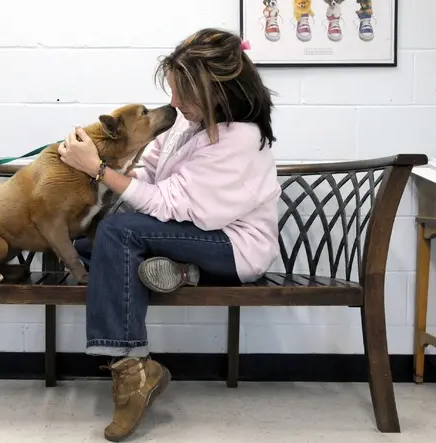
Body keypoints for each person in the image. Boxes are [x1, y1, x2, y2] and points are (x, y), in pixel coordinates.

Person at [57, 28, 282, 442]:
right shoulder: (188, 126)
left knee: (119, 234)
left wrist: (97, 170)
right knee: (89, 246)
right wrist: (108, 161)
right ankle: (182, 272)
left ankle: (131, 372)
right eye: (175, 92)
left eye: (184, 94)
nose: (174, 104)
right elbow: (149, 171)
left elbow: (167, 204)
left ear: (218, 91)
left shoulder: (241, 138)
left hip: (234, 247)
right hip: (193, 235)